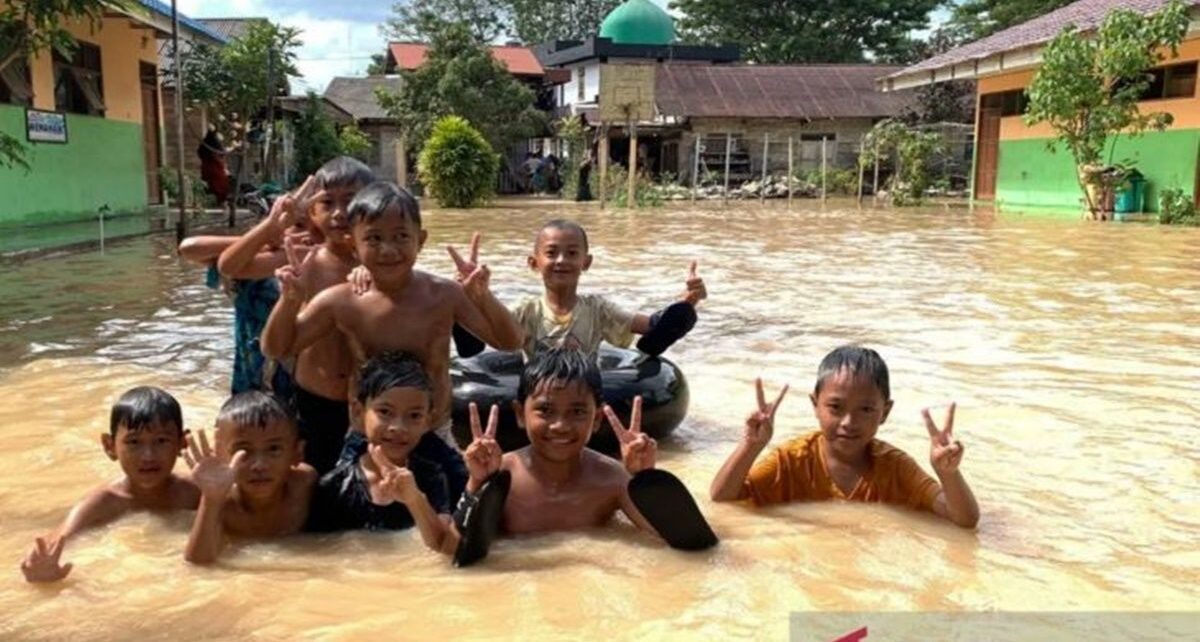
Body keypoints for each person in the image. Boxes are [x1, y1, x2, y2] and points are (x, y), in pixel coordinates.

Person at [260, 180, 523, 445]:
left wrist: (483, 297)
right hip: (368, 438)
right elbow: (277, 349)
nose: (388, 249)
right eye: (374, 238)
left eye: (401, 236)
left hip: (433, 433)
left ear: (420, 240)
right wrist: (289, 300)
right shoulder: (343, 301)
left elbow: (510, 342)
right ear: (353, 244)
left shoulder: (445, 295)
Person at [453, 347, 716, 565]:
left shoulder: (612, 479)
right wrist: (476, 484)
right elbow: (456, 551)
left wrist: (645, 479)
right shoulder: (501, 476)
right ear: (521, 414)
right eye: (545, 410)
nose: (561, 425)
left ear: (597, 418)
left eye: (578, 412)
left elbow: (671, 541)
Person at [709, 345, 980, 529]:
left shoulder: (895, 467)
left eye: (865, 410)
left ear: (885, 412)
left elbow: (964, 520)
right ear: (815, 405)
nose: (849, 423)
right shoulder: (792, 459)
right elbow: (723, 499)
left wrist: (948, 473)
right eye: (836, 408)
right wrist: (751, 445)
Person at [222, 157, 375, 474]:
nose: (339, 212)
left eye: (350, 201)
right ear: (313, 214)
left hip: (370, 404)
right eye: (327, 203)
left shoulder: (385, 262)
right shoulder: (304, 258)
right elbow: (229, 267)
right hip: (313, 401)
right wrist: (272, 225)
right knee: (310, 489)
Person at [20, 387, 199, 583]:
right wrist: (40, 572)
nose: (148, 455)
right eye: (134, 442)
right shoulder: (103, 502)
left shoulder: (196, 492)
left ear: (182, 443)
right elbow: (55, 543)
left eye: (161, 440)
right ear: (110, 446)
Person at [306, 352, 462, 556]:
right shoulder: (335, 485)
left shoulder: (430, 476)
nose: (398, 427)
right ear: (358, 412)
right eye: (385, 412)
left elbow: (443, 548)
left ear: (427, 421)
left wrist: (415, 499)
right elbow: (321, 555)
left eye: (414, 415)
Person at [513, 219, 706, 362]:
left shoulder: (597, 309)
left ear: (586, 262)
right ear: (534, 263)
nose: (561, 260)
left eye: (572, 253)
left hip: (583, 398)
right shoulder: (526, 310)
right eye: (551, 253)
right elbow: (493, 331)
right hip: (539, 397)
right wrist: (481, 298)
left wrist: (689, 300)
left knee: (681, 314)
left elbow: (655, 325)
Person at [183, 391, 317, 564]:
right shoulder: (220, 501)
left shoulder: (305, 484)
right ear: (220, 454)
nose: (259, 465)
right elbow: (197, 564)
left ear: (297, 453)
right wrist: (211, 499)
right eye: (243, 451)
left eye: (274, 449)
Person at [198, 125, 230, 207]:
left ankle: (213, 201)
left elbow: (199, 152)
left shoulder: (205, 142)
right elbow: (222, 152)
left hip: (207, 166)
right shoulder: (215, 141)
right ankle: (221, 201)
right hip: (215, 166)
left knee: (210, 184)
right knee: (221, 183)